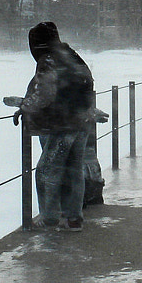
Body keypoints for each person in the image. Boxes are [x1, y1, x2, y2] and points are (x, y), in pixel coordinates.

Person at [21, 21, 98, 231]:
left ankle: (50, 217)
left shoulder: (48, 59)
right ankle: (74, 218)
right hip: (81, 122)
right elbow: (87, 84)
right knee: (73, 170)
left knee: (46, 171)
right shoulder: (71, 55)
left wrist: (25, 105)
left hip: (61, 124)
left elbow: (44, 93)